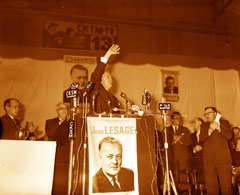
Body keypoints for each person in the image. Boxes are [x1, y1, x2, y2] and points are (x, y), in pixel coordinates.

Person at [64, 44, 120, 114]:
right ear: (101, 80)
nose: (111, 80)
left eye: (111, 78)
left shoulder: (114, 98)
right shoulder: (97, 89)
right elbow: (97, 74)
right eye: (108, 77)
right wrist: (107, 55)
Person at [199, 107, 232, 195]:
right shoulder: (204, 125)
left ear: (215, 113)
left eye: (208, 113)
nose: (206, 115)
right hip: (209, 160)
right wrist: (209, 130)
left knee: (226, 185)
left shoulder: (224, 123)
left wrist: (219, 128)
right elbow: (201, 139)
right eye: (205, 114)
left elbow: (229, 136)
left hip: (223, 159)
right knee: (211, 185)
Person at [45, 102, 70, 195]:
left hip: (67, 155)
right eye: (62, 108)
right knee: (55, 180)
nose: (65, 110)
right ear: (57, 111)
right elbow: (52, 134)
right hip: (54, 155)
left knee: (65, 180)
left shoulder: (72, 122)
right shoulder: (49, 122)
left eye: (66, 108)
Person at [166, 112, 192, 182]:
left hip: (182, 157)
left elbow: (189, 142)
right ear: (172, 119)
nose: (178, 120)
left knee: (183, 176)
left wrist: (179, 139)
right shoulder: (166, 130)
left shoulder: (185, 129)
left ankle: (184, 192)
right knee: (172, 176)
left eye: (180, 118)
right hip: (171, 157)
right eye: (176, 118)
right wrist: (179, 138)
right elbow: (165, 142)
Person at [190, 117, 204, 183]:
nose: (193, 124)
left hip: (206, 160)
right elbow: (189, 147)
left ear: (200, 123)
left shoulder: (206, 134)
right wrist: (194, 149)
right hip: (196, 162)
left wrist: (202, 147)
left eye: (194, 122)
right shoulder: (192, 135)